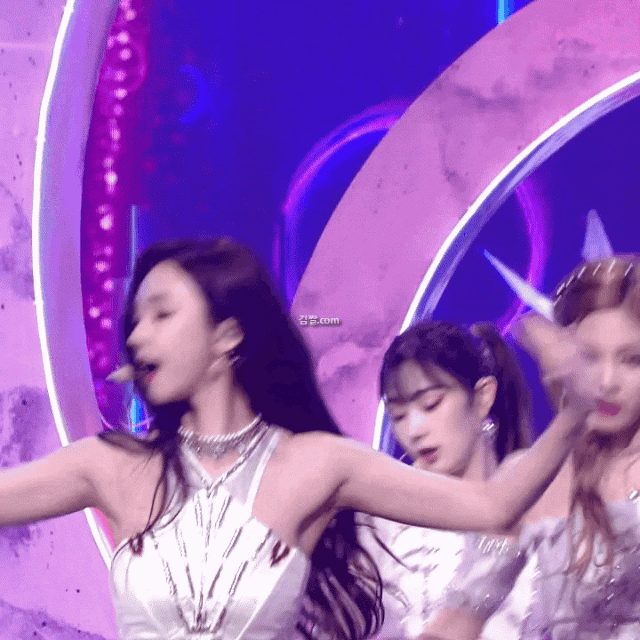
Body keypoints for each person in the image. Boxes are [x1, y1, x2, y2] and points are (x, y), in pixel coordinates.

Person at [0, 238, 590, 640]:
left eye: (160, 315)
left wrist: (573, 410)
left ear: (227, 336)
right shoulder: (109, 466)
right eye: (134, 321)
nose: (135, 337)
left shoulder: (315, 464)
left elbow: (493, 506)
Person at [424, 255, 640, 640]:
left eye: (632, 360)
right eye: (589, 357)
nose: (607, 381)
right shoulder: (528, 475)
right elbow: (462, 616)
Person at [360, 319, 532, 639]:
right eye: (398, 416)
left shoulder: (539, 500)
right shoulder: (383, 526)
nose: (414, 430)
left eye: (431, 405)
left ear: (483, 397)